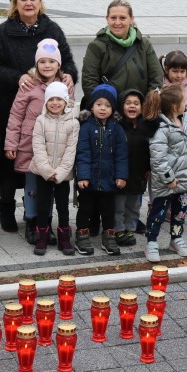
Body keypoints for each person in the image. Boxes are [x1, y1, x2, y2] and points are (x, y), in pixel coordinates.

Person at [0, 0, 77, 235]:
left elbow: (67, 61)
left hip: (49, 111)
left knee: (39, 165)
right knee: (9, 160)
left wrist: (69, 74)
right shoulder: (4, 32)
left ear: (40, 2)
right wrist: (17, 77)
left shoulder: (52, 29)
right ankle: (6, 206)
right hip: (11, 106)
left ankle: (33, 213)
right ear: (15, 4)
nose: (28, 3)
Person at [5, 38, 73, 245]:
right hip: (29, 146)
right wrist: (11, 143)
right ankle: (32, 222)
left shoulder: (66, 85)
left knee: (51, 186)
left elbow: (70, 114)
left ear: (59, 65)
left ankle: (46, 223)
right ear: (36, 64)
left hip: (56, 146)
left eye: (51, 62)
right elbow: (16, 115)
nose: (47, 66)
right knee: (33, 187)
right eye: (42, 61)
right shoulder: (28, 85)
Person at [143, 85, 187, 262]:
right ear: (174, 106)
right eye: (183, 101)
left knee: (180, 212)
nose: (186, 104)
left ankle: (176, 238)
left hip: (185, 179)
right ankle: (151, 242)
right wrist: (169, 179)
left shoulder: (184, 121)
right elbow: (158, 158)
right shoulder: (160, 128)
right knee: (159, 213)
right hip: (167, 182)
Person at [75, 84, 129, 256]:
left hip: (109, 179)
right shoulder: (86, 128)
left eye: (107, 105)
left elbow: (121, 155)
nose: (103, 108)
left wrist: (121, 175)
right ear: (92, 106)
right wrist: (82, 176)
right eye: (99, 104)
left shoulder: (117, 129)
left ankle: (109, 236)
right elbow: (82, 153)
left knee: (108, 211)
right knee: (85, 209)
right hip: (88, 179)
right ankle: (82, 235)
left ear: (113, 108)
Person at [82, 0, 164, 107]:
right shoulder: (96, 46)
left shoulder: (143, 44)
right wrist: (105, 108)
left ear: (131, 19)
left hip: (139, 110)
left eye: (122, 18)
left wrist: (145, 106)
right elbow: (89, 82)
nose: (117, 22)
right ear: (107, 19)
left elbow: (156, 77)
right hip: (109, 113)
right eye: (113, 18)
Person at [29, 81, 79, 256]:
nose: (55, 103)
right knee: (42, 206)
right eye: (51, 99)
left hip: (63, 175)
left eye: (59, 99)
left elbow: (70, 151)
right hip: (43, 173)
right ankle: (41, 235)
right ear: (46, 102)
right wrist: (47, 172)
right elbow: (38, 148)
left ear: (66, 101)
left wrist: (59, 174)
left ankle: (64, 237)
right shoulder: (41, 121)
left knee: (63, 207)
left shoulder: (73, 123)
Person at [115, 89, 153, 244]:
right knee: (118, 206)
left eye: (136, 103)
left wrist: (149, 168)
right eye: (128, 103)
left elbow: (151, 150)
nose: (132, 106)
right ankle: (118, 230)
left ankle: (130, 229)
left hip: (139, 175)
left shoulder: (146, 127)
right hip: (120, 176)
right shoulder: (117, 127)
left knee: (134, 205)